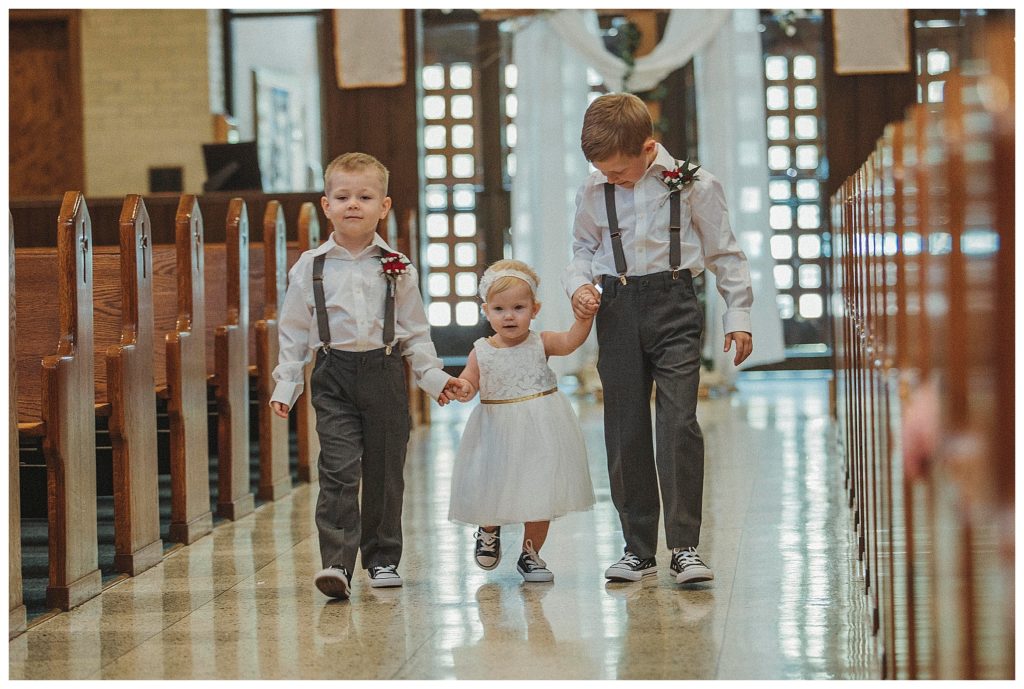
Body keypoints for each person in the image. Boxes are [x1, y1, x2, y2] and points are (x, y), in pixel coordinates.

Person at [563, 93, 754, 586]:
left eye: (619, 172)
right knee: (624, 426)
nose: (612, 180)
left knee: (678, 423)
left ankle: (685, 547)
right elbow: (582, 249)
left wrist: (740, 314)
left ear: (649, 148)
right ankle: (637, 549)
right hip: (617, 308)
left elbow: (725, 254)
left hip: (674, 305)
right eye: (604, 173)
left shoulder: (695, 184)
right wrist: (580, 285)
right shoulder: (592, 189)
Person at [270, 152, 464, 600]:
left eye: (364, 196)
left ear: (384, 206)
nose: (353, 204)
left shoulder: (398, 267)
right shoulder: (310, 267)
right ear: (326, 205)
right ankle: (337, 563)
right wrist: (287, 384)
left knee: (384, 470)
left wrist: (433, 379)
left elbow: (415, 332)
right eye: (342, 196)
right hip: (333, 375)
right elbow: (294, 331)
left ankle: (382, 560)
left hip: (384, 372)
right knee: (337, 469)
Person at [448, 260, 596, 583]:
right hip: (496, 435)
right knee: (492, 486)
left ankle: (531, 553)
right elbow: (469, 381)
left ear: (535, 308)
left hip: (540, 433)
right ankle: (488, 529)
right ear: (486, 311)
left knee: (539, 494)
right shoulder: (481, 351)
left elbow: (571, 341)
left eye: (519, 307)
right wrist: (463, 388)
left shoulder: (540, 342)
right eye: (500, 309)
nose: (510, 315)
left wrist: (584, 319)